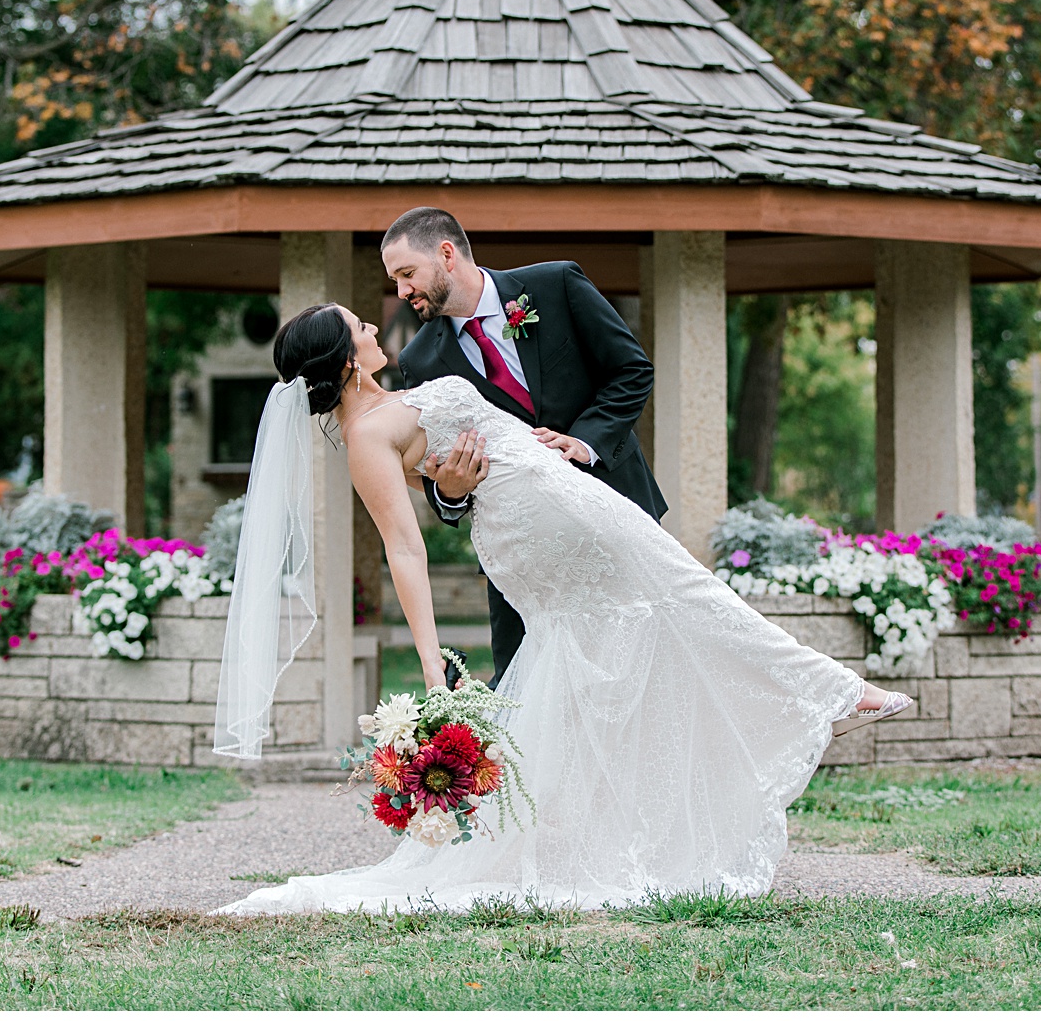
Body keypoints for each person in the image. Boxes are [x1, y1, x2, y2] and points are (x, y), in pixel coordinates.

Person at [212, 301, 912, 915]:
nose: (372, 323)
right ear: (343, 360)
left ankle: (629, 822)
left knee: (620, 646)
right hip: (537, 528)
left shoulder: (405, 391)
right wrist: (432, 668)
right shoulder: (366, 434)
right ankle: (829, 695)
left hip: (561, 500)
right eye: (356, 325)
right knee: (684, 594)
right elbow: (405, 548)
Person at [383, 206, 663, 684]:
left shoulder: (556, 285)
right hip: (521, 558)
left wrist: (585, 441)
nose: (401, 291)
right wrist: (449, 492)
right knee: (524, 693)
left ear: (447, 254)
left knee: (644, 674)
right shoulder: (419, 361)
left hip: (616, 512)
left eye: (407, 274)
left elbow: (630, 371)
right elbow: (438, 479)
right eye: (395, 279)